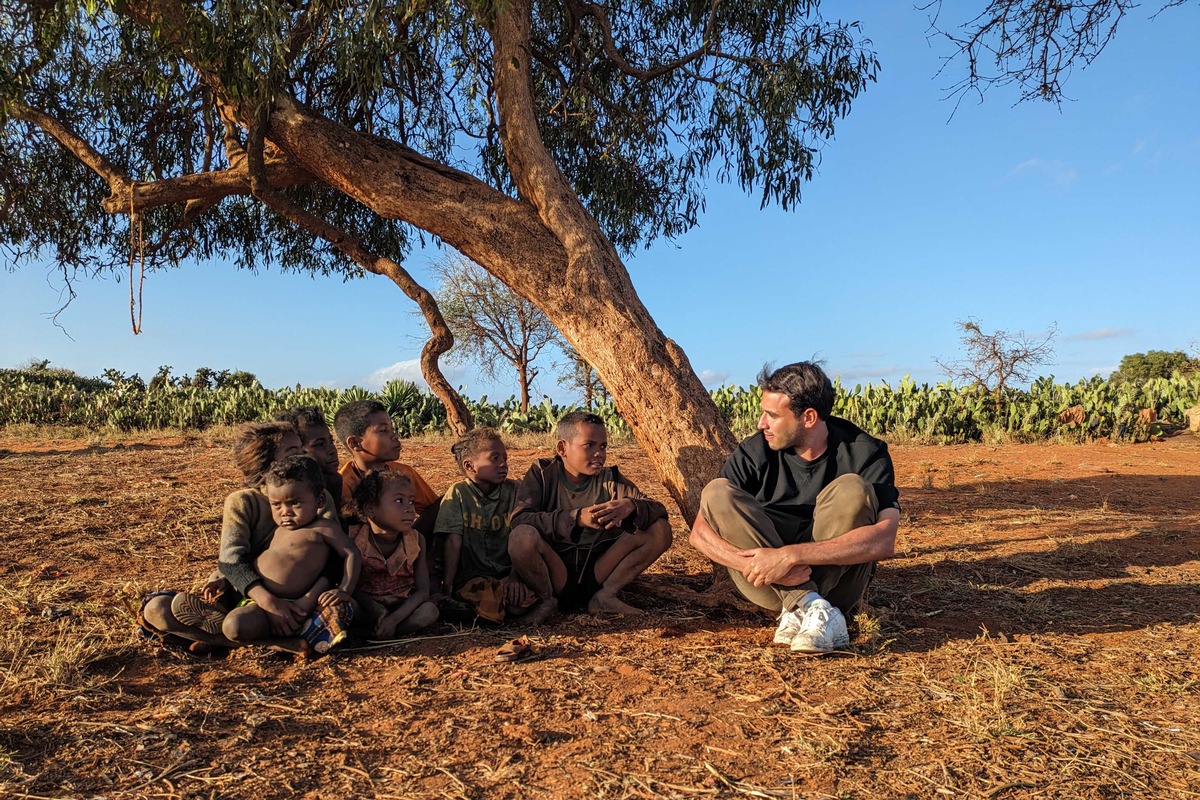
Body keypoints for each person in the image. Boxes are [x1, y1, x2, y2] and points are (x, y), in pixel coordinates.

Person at [689, 361, 901, 654]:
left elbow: (884, 539)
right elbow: (698, 534)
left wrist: (789, 557)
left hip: (837, 582)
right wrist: (759, 565)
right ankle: (810, 605)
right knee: (716, 492)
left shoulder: (866, 453)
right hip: (768, 583)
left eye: (772, 415)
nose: (761, 423)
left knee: (852, 487)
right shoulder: (754, 451)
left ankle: (809, 608)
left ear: (809, 417)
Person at [139, 421, 342, 653]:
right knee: (155, 608)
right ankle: (268, 644)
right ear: (270, 465)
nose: (304, 454)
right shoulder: (242, 501)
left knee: (236, 624)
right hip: (245, 591)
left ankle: (216, 638)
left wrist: (299, 601)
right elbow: (231, 561)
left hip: (292, 601)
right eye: (293, 451)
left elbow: (335, 558)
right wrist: (266, 600)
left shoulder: (318, 497)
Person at [509, 411, 672, 618]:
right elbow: (520, 519)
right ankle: (547, 601)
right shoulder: (542, 475)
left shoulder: (611, 479)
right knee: (522, 536)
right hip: (556, 570)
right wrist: (575, 518)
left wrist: (631, 505)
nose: (599, 454)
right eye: (589, 445)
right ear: (562, 448)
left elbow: (657, 507)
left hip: (598, 570)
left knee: (660, 529)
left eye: (603, 446)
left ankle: (606, 596)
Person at [217, 455, 361, 653]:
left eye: (295, 503)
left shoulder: (325, 529)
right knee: (233, 625)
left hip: (296, 607)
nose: (285, 512)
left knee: (234, 626)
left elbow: (351, 554)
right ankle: (280, 644)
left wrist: (345, 589)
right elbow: (237, 560)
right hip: (260, 601)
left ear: (319, 500)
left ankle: (217, 638)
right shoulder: (278, 529)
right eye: (276, 505)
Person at [435, 428, 539, 624]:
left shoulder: (514, 490)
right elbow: (452, 542)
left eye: (505, 458)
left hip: (510, 572)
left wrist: (517, 576)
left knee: (518, 605)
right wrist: (447, 586)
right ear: (470, 466)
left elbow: (523, 536)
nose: (503, 464)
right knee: (483, 601)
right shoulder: (458, 493)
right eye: (494, 458)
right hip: (473, 576)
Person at [347, 470, 440, 639]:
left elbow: (422, 590)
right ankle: (372, 630)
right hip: (366, 606)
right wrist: (372, 607)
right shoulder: (354, 539)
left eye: (411, 502)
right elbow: (347, 585)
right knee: (346, 606)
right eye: (399, 501)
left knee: (429, 612)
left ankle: (376, 633)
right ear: (370, 509)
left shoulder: (416, 541)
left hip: (401, 607)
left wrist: (393, 620)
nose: (409, 509)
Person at [332, 400, 440, 533]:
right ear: (355, 443)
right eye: (383, 430)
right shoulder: (343, 486)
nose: (394, 436)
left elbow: (434, 509)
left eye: (392, 429)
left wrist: (413, 539)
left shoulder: (403, 473)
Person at [274, 406, 342, 502]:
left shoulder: (334, 482)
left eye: (331, 441)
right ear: (297, 450)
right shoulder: (280, 491)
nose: (332, 450)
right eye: (320, 444)